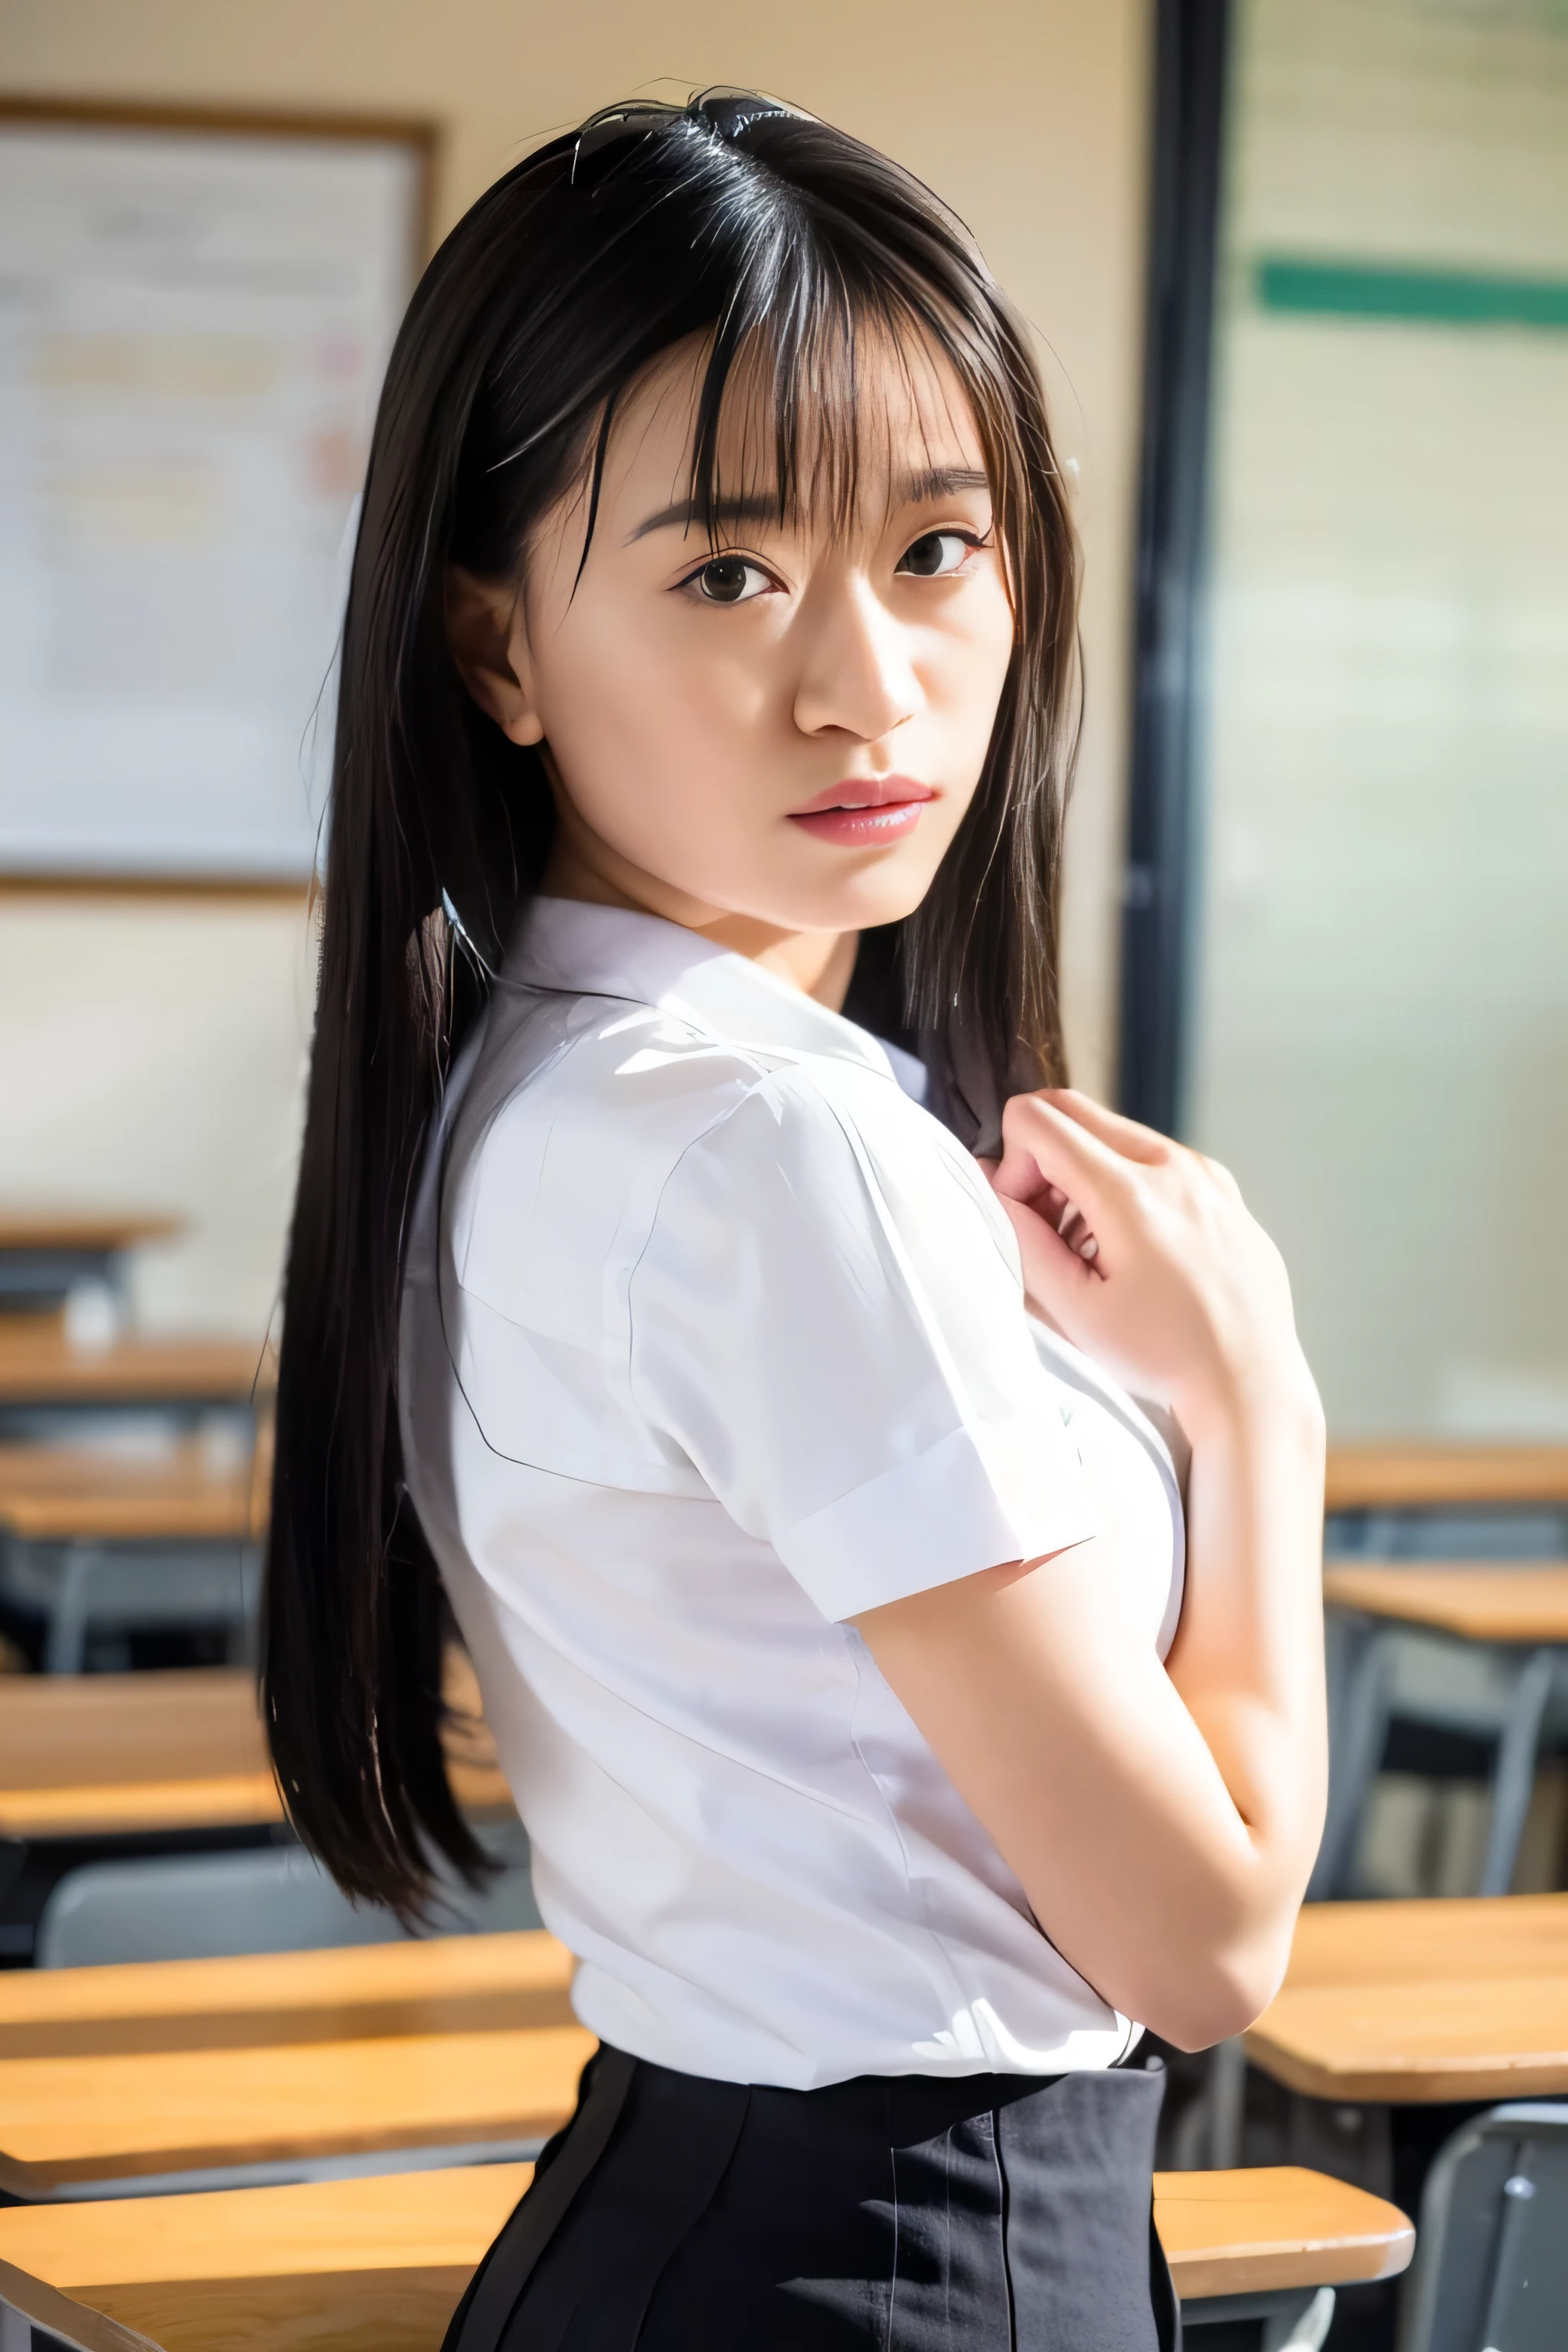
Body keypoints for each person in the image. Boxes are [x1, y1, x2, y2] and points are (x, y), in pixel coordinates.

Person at [263, 91, 1328, 2350]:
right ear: (497, 649)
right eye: (727, 572)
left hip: (698, 2223)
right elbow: (1203, 1945)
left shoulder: (533, 1086)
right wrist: (1261, 1413)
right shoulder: (772, 1151)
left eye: (937, 550)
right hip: (897, 2271)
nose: (870, 682)